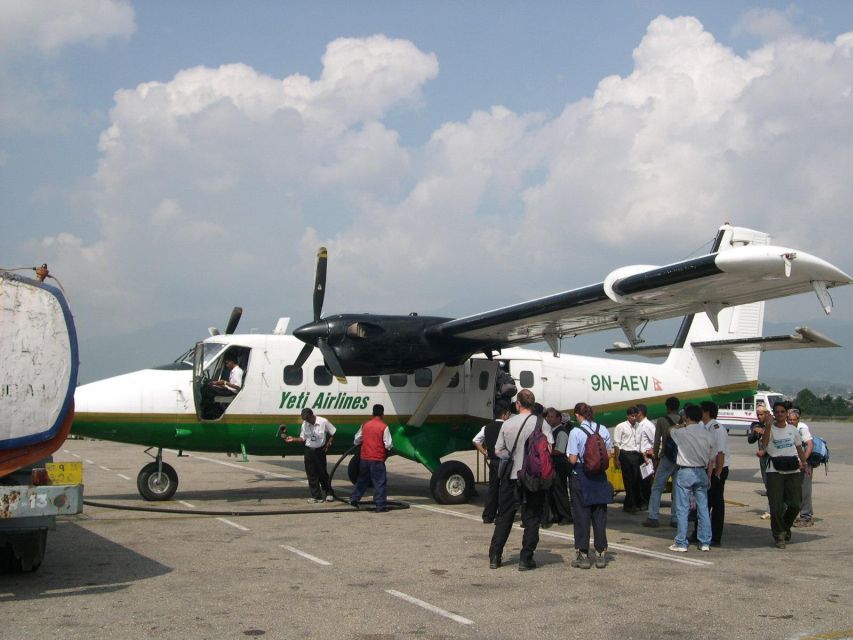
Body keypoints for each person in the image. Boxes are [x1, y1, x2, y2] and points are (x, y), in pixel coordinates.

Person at [488, 389, 553, 571]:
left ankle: (495, 556)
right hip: (533, 477)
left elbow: (498, 451)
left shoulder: (507, 424)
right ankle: (526, 558)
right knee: (532, 517)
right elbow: (548, 448)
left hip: (511, 476)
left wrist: (512, 455)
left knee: (505, 516)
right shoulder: (541, 423)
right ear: (533, 404)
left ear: (518, 404)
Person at [568, 402, 613, 569]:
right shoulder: (602, 429)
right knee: (599, 516)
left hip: (581, 475)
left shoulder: (575, 432)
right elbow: (607, 454)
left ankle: (583, 555)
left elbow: (572, 459)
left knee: (582, 516)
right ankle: (601, 554)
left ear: (578, 415)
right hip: (599, 477)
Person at [668, 404, 716, 552]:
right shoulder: (708, 434)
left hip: (685, 471)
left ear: (686, 416)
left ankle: (681, 542)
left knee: (682, 508)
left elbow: (671, 430)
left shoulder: (682, 432)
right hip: (701, 471)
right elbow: (711, 459)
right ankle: (705, 541)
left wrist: (682, 424)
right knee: (703, 508)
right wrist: (708, 476)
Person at [759, 402, 808, 548]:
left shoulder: (793, 430)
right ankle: (779, 535)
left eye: (782, 411)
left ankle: (785, 526)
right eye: (777, 412)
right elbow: (765, 444)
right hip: (775, 471)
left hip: (792, 470)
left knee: (795, 504)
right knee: (776, 506)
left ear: (787, 413)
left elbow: (799, 448)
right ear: (774, 414)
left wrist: (805, 464)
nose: (780, 414)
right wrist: (767, 425)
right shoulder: (770, 429)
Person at [643, 397, 681, 528]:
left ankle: (653, 516)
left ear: (667, 407)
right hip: (681, 459)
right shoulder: (683, 421)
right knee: (677, 489)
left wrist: (655, 457)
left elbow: (657, 441)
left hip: (667, 457)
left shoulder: (662, 420)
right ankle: (675, 518)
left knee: (657, 487)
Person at [285, 408, 336, 503]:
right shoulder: (305, 424)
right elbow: (303, 438)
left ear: (312, 415)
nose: (307, 421)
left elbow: (333, 432)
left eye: (308, 419)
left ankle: (329, 493)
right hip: (309, 451)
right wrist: (293, 439)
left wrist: (329, 443)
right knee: (311, 475)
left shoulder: (323, 421)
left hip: (320, 451)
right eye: (305, 419)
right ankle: (317, 497)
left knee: (323, 474)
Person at [472, 401, 511, 524]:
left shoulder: (487, 427)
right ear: (504, 414)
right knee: (504, 488)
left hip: (493, 461)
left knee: (492, 488)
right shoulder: (507, 427)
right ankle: (501, 515)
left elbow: (476, 440)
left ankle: (488, 515)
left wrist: (485, 452)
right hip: (505, 461)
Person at [350, 404, 393, 512]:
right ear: (382, 414)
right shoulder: (384, 426)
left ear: (372, 413)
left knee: (362, 479)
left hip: (364, 458)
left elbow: (356, 440)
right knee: (379, 482)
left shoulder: (365, 425)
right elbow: (388, 445)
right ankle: (380, 505)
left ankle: (354, 499)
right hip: (377, 458)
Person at [701, 401, 728, 546]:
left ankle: (716, 536)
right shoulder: (703, 427)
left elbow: (720, 453)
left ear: (706, 412)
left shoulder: (717, 428)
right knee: (704, 502)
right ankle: (701, 532)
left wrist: (717, 474)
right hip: (706, 467)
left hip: (718, 468)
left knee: (716, 503)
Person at [542, 407, 573, 527]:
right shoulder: (551, 430)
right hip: (552, 464)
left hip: (559, 464)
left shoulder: (561, 432)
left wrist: (545, 451)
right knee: (552, 491)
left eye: (552, 417)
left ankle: (566, 516)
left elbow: (559, 450)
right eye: (548, 416)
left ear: (559, 418)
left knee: (560, 490)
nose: (549, 419)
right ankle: (556, 515)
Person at [788, 407, 815, 529]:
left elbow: (810, 444)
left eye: (794, 420)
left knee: (805, 491)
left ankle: (806, 517)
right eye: (789, 419)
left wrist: (803, 461)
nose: (791, 422)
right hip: (792, 464)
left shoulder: (802, 428)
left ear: (798, 419)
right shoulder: (786, 428)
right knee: (792, 491)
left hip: (803, 465)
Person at [613, 406, 643, 514]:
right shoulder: (621, 426)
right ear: (628, 416)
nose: (634, 418)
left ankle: (628, 504)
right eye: (632, 416)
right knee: (628, 481)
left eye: (636, 416)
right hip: (625, 454)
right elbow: (617, 443)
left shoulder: (639, 426)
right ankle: (631, 505)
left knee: (636, 480)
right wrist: (616, 459)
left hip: (636, 455)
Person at [747, 402, 773, 519]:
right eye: (757, 414)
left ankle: (772, 508)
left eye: (761, 414)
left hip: (772, 458)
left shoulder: (772, 425)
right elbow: (750, 440)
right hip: (762, 458)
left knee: (773, 484)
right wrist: (755, 432)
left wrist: (765, 431)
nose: (759, 417)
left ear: (767, 414)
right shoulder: (756, 425)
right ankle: (772, 507)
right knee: (767, 483)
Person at [636, 404, 656, 509]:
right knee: (639, 480)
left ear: (640, 413)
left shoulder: (648, 425)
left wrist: (649, 454)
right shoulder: (638, 425)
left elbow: (655, 441)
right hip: (638, 455)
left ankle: (646, 502)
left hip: (646, 457)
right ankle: (641, 501)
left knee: (646, 481)